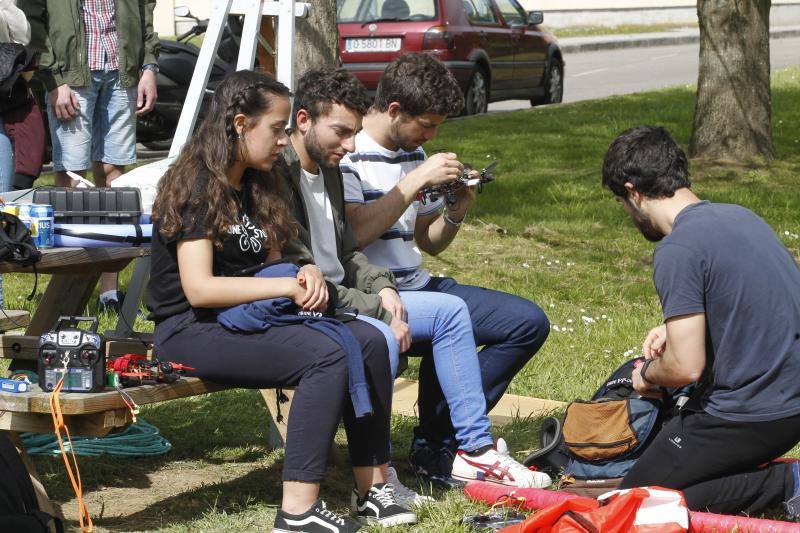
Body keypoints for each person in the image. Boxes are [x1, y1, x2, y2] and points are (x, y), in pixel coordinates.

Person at [146, 70, 416, 532]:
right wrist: (285, 287)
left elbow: (274, 260)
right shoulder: (197, 185)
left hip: (247, 317)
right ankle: (297, 512)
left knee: (371, 341)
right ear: (240, 124)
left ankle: (372, 489)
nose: (281, 141)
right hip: (192, 328)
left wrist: (303, 271)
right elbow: (199, 289)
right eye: (275, 129)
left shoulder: (257, 182)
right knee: (326, 356)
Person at [278, 67, 552, 500]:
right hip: (355, 296)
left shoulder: (405, 154)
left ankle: (450, 441)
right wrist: (414, 182)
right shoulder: (342, 159)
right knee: (434, 321)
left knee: (526, 322)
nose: (430, 135)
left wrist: (456, 210)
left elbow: (428, 241)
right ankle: (425, 458)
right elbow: (354, 238)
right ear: (394, 110)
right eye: (425, 124)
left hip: (407, 286)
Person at [603, 125, 800, 519]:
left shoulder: (677, 248)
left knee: (632, 505)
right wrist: (678, 326)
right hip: (791, 407)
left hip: (746, 415)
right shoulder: (741, 217)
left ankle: (787, 483)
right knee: (681, 491)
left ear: (633, 192)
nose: (628, 213)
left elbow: (684, 367)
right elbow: (756, 301)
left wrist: (646, 375)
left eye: (622, 203)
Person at [28, 0, 159, 311]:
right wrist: (54, 81)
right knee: (71, 178)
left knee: (115, 179)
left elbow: (145, 12)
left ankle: (108, 293)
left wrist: (149, 67)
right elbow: (33, 20)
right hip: (70, 77)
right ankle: (66, 290)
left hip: (122, 72)